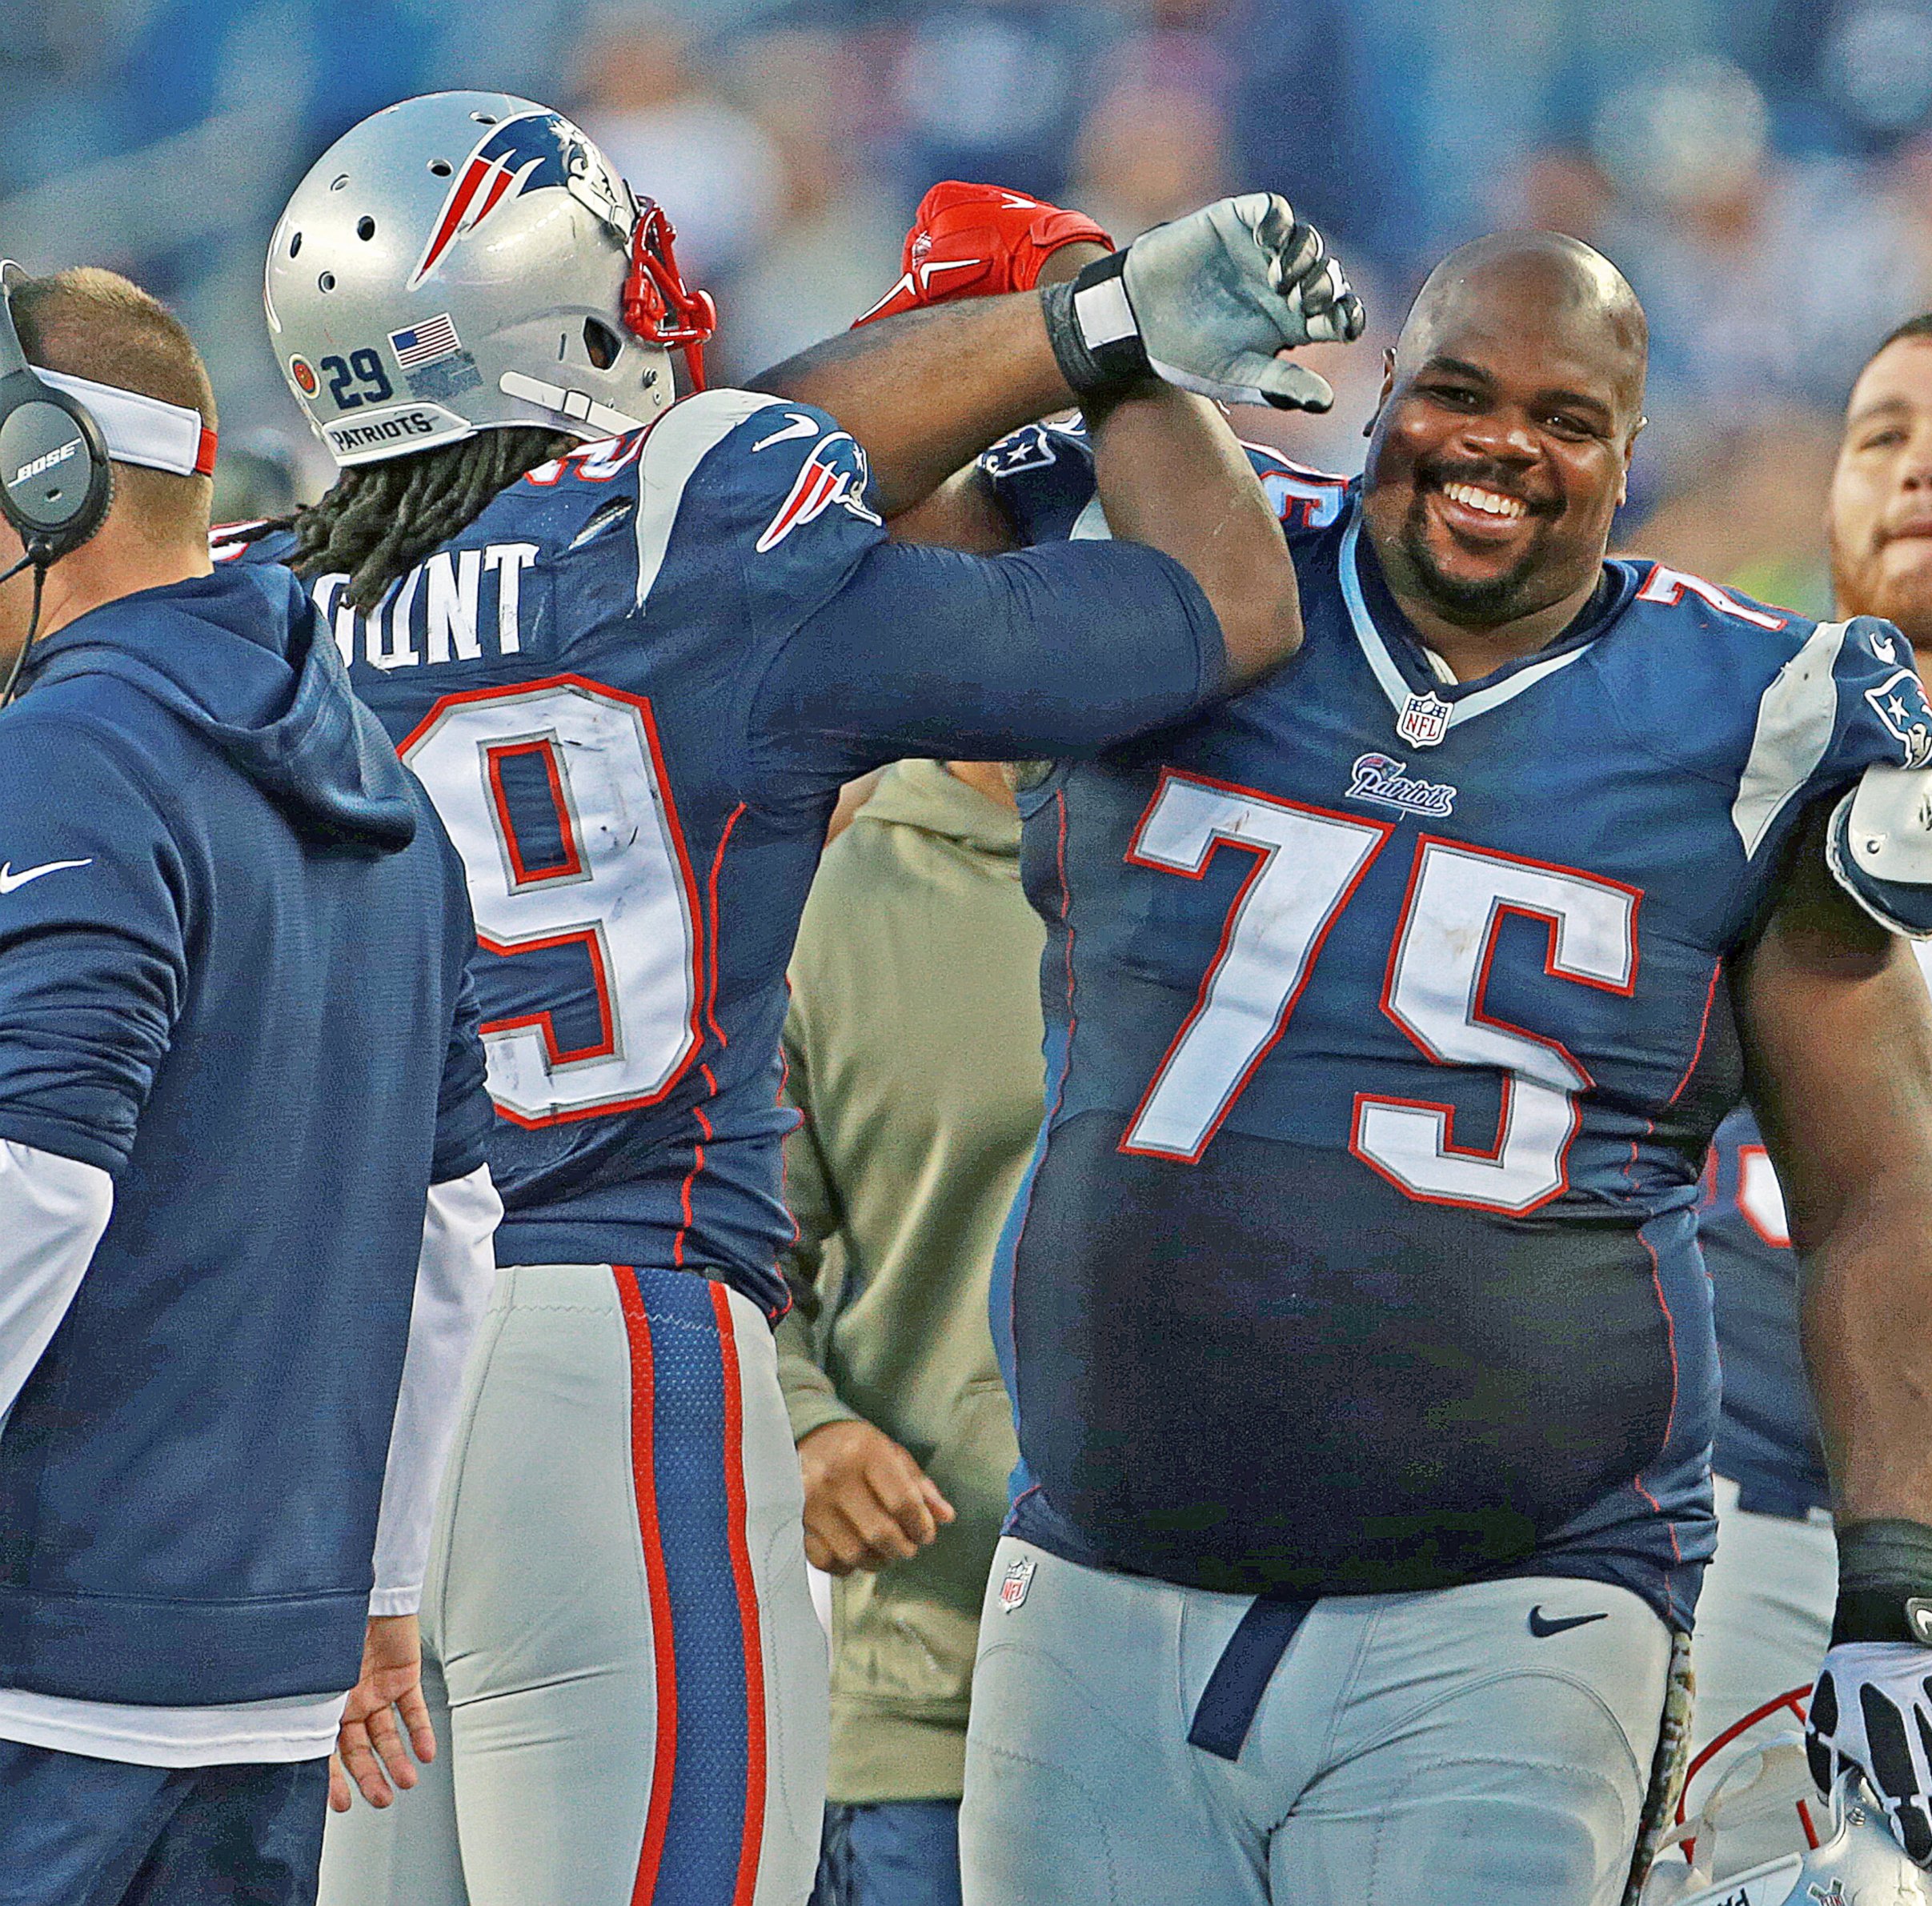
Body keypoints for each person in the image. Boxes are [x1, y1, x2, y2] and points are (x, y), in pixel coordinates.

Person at [239, 94, 1362, 1906]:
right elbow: (1226, 605)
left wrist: (1069, 319)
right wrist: (1098, 328)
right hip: (599, 1344)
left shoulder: (255, 608)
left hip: (312, 1395)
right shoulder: (697, 534)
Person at [891, 230, 1932, 1906]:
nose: (1504, 447)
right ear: (1380, 394)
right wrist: (1074, 327)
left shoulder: (1756, 711)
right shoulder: (1198, 551)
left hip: (1517, 1602)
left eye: (1569, 420)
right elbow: (827, 520)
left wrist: (1900, 1587)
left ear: (1635, 459)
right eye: (1462, 395)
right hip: (1094, 1571)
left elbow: (1876, 1190)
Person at [0, 266, 499, 1906]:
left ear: (41, 472)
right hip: (268, 1687)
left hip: (49, 1664)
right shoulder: (388, 787)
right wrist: (379, 1583)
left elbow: (34, 1189)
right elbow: (451, 1238)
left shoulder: (70, 752)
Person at [1694, 306, 1932, 1900]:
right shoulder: (1712, 759)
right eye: (1884, 436)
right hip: (1762, 1531)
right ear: (1829, 500)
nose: (1930, 463)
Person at [778, 759, 1040, 1906]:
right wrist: (805, 1426)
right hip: (934, 1703)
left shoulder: (1264, 851)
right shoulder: (830, 900)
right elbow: (732, 1247)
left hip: (1240, 1684)